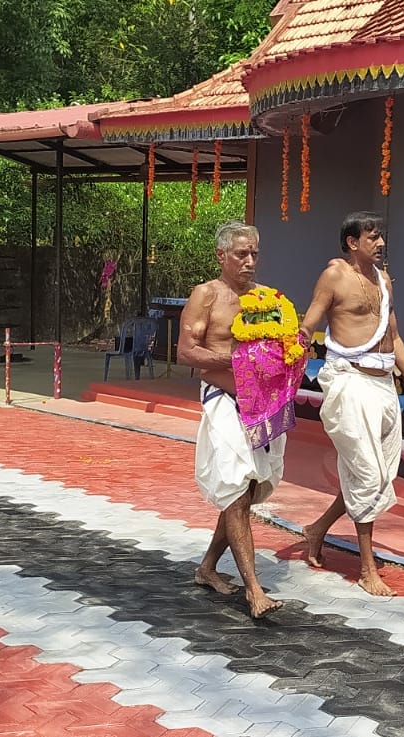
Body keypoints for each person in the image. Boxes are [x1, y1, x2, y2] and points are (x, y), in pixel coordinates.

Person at [299, 211, 404, 596]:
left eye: (381, 237)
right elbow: (310, 320)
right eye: (372, 238)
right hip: (350, 381)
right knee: (368, 475)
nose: (380, 243)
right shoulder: (335, 276)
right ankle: (367, 568)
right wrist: (299, 339)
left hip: (384, 384)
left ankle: (317, 529)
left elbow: (395, 338)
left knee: (375, 474)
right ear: (352, 242)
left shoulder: (384, 280)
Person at [180, 221, 286, 618]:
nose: (249, 261)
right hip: (222, 398)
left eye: (254, 253)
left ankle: (207, 567)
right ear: (221, 256)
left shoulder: (269, 298)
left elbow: (282, 345)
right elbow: (187, 352)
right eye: (241, 254)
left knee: (250, 486)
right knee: (238, 488)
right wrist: (238, 361)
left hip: (261, 404)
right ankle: (254, 590)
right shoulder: (206, 295)